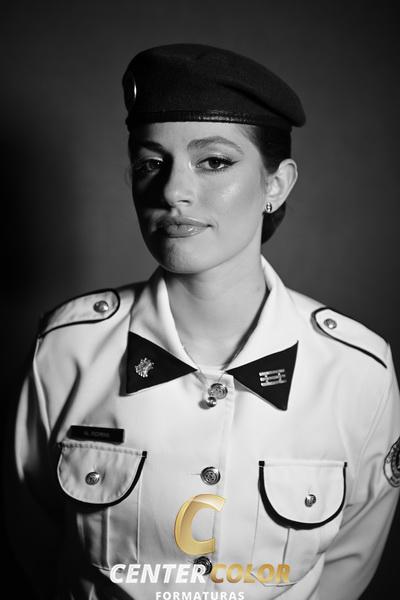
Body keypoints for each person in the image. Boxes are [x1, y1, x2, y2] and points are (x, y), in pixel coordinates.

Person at [5, 44, 400, 600]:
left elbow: (348, 564)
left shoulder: (357, 372)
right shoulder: (66, 351)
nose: (172, 191)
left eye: (213, 161)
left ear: (276, 184)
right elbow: (36, 540)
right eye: (151, 164)